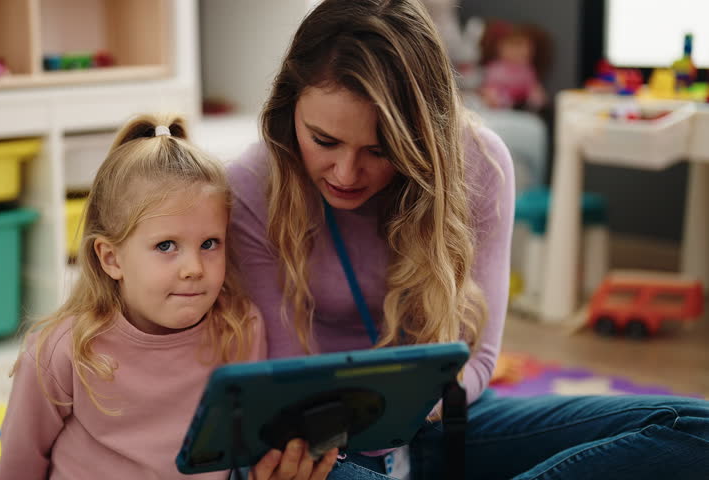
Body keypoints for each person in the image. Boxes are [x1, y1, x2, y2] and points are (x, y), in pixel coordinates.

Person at [226, 1, 709, 479]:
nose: (348, 174)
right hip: (327, 449)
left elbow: (477, 359)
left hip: (440, 420)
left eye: (381, 149)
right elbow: (284, 384)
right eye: (325, 142)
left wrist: (410, 413)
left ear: (424, 137)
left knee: (695, 428)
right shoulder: (253, 182)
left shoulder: (477, 162)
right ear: (289, 109)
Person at [0, 114, 338, 480]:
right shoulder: (60, 352)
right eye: (166, 246)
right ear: (111, 258)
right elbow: (19, 469)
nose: (193, 267)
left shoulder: (242, 328)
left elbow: (242, 454)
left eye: (209, 244)